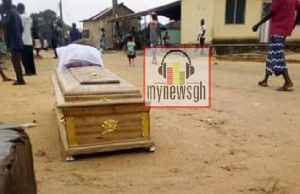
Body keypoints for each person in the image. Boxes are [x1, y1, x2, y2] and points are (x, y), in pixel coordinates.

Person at [253, 0, 299, 91]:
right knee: (271, 53)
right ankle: (265, 79)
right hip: (285, 29)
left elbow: (271, 13)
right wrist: (294, 23)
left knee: (278, 55)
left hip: (277, 29)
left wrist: (258, 24)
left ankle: (287, 81)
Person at [1, 0, 25, 85]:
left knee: (15, 60)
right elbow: (22, 28)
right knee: (16, 60)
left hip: (14, 40)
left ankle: (20, 79)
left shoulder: (10, 13)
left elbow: (4, 23)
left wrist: (2, 14)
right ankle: (20, 78)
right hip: (17, 39)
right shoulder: (16, 14)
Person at [17, 3, 36, 76]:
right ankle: (32, 71)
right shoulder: (29, 18)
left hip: (23, 39)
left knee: (24, 57)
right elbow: (30, 29)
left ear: (20, 9)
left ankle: (28, 71)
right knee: (30, 57)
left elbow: (20, 28)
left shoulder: (21, 17)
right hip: (29, 39)